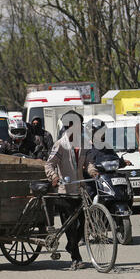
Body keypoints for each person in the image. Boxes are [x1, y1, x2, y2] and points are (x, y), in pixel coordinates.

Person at [45, 110, 99, 270]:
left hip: (79, 188)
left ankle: (71, 246)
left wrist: (92, 171)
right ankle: (76, 258)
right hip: (64, 191)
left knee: (81, 224)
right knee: (70, 226)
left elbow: (88, 163)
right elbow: (49, 164)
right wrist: (54, 177)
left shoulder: (83, 143)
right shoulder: (60, 145)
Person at [84, 118, 131, 197]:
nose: (103, 134)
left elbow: (114, 158)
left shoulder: (106, 146)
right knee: (92, 196)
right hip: (93, 182)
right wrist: (92, 170)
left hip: (109, 180)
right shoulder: (86, 148)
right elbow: (86, 165)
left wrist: (122, 162)